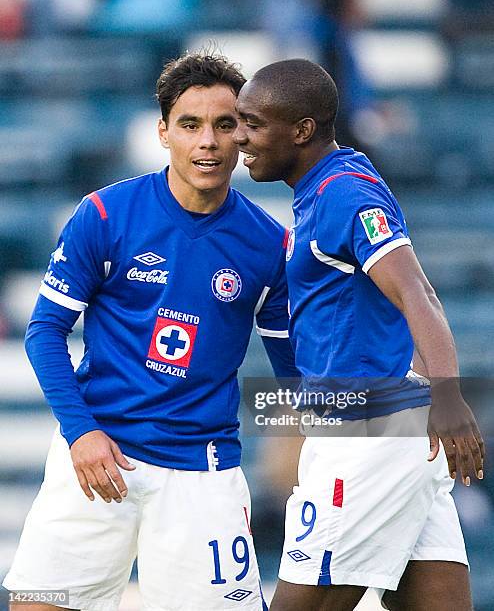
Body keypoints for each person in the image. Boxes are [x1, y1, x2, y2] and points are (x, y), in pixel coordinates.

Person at [3, 52, 299, 611]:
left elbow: (292, 369)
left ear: (244, 135)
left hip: (203, 476)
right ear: (164, 132)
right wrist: (81, 433)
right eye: (190, 125)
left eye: (224, 124)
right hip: (95, 459)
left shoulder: (269, 244)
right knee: (37, 604)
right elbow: (44, 331)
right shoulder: (105, 215)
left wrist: (380, 419)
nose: (207, 142)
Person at [233, 58, 484, 611]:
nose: (239, 137)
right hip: (392, 432)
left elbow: (415, 290)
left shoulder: (345, 195)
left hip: (366, 436)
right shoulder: (328, 186)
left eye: (252, 122)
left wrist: (448, 394)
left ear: (301, 130)